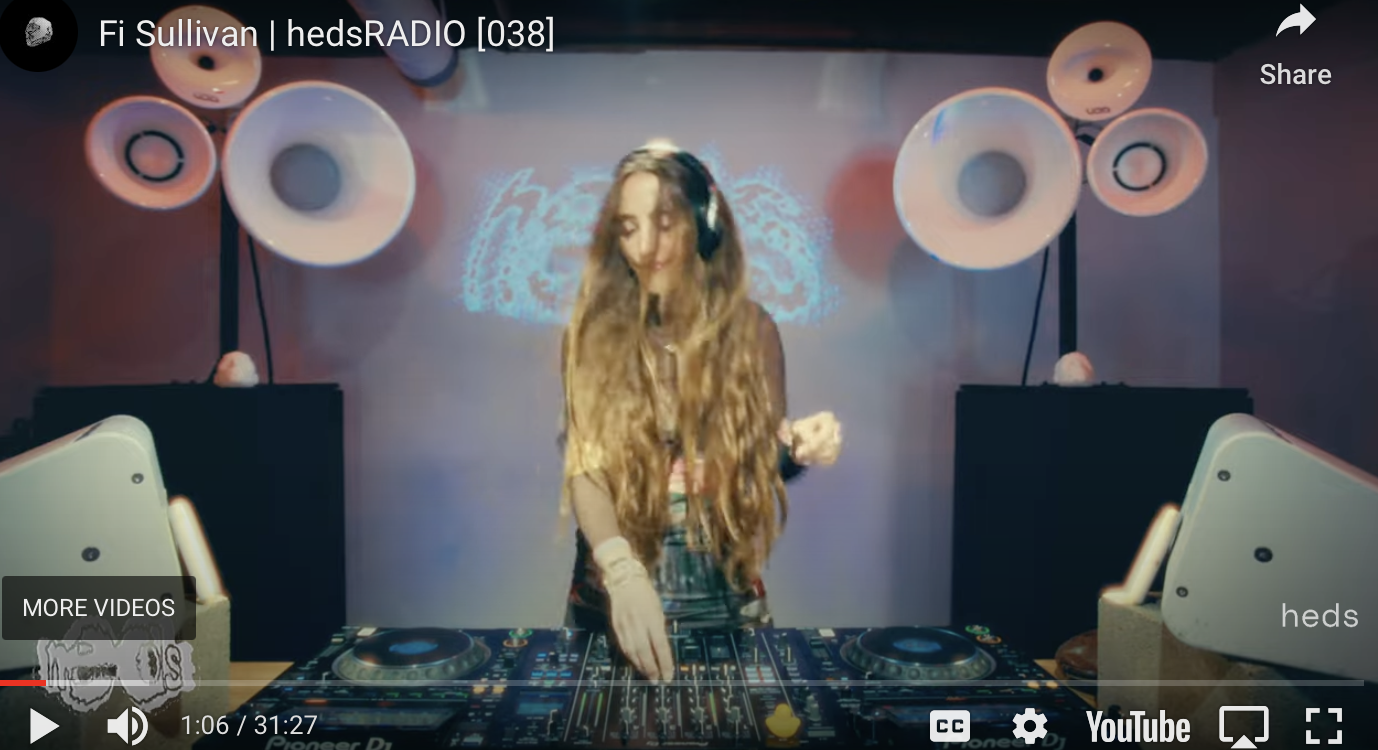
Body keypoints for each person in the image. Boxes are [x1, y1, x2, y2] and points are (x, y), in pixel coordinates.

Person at [557, 140, 842, 682]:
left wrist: (798, 447)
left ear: (705, 226)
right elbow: (586, 469)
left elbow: (761, 461)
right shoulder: (593, 335)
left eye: (664, 224)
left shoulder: (752, 330)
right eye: (628, 228)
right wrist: (621, 572)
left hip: (726, 608)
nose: (646, 246)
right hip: (611, 608)